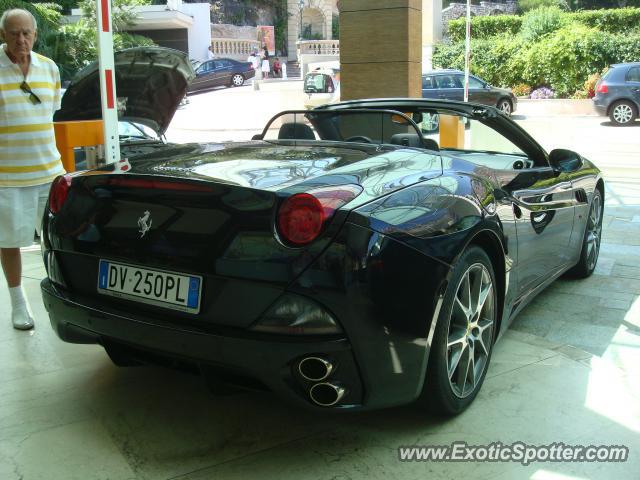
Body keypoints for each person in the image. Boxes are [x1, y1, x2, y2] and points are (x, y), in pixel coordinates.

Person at [0, 9, 63, 330]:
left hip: (49, 172)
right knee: (9, 241)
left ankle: (57, 293)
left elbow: (48, 116)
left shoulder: (49, 68)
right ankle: (18, 303)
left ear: (35, 34)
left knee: (52, 238)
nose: (21, 39)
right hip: (7, 177)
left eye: (26, 33)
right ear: (3, 35)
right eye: (14, 33)